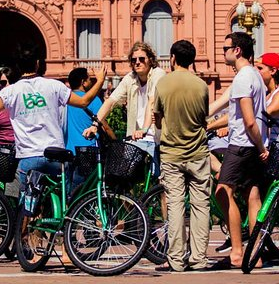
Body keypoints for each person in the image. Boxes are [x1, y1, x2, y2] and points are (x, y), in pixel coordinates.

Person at [0, 40, 106, 194]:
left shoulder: (11, 92)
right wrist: (100, 80)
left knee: (27, 207)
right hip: (56, 156)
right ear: (37, 63)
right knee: (64, 200)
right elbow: (84, 101)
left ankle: (26, 219)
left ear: (17, 66)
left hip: (29, 157)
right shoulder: (54, 85)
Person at [151, 40, 210, 272]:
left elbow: (156, 117)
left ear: (173, 58)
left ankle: (176, 260)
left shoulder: (163, 84)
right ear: (192, 59)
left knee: (175, 205)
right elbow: (203, 117)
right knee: (201, 205)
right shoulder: (201, 86)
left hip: (171, 153)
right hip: (198, 152)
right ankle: (199, 259)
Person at [212, 32, 268, 270]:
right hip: (253, 145)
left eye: (225, 48)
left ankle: (237, 252)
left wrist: (260, 146)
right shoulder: (254, 75)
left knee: (222, 192)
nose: (222, 52)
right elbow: (223, 107)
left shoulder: (244, 78)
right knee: (252, 197)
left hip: (243, 144)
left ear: (237, 51)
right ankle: (257, 254)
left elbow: (249, 121)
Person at [95, 41, 166, 175]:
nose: (137, 62)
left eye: (141, 59)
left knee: (160, 181)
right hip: (136, 138)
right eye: (133, 60)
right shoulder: (130, 78)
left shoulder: (158, 74)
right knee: (124, 176)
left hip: (156, 137)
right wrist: (95, 124)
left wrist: (144, 129)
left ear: (150, 60)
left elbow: (152, 101)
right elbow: (111, 101)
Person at [64, 67, 103, 190]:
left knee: (68, 189)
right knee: (85, 190)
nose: (91, 82)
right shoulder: (94, 100)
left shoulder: (66, 99)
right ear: (83, 82)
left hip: (67, 151)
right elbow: (104, 124)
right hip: (87, 151)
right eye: (89, 79)